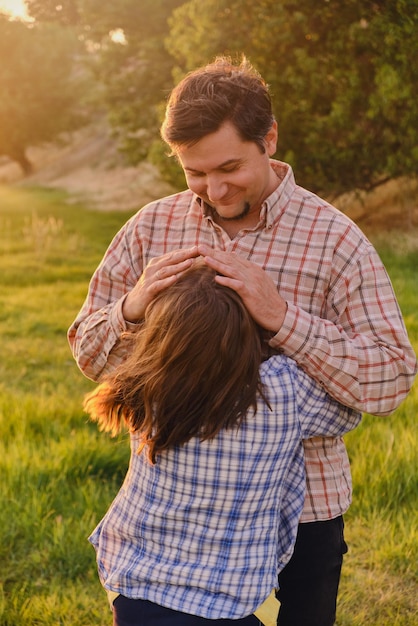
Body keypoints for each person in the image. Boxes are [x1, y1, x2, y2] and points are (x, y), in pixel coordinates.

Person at [68, 57, 417, 626]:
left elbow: (391, 379)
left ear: (269, 138)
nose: (214, 188)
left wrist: (283, 320)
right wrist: (131, 309)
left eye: (229, 166)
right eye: (195, 172)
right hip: (184, 511)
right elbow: (87, 354)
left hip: (308, 505)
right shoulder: (151, 227)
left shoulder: (336, 240)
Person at [83, 263, 362, 626]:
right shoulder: (282, 389)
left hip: (136, 586)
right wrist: (283, 331)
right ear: (253, 334)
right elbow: (348, 412)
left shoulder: (147, 385)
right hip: (224, 601)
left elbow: (107, 355)